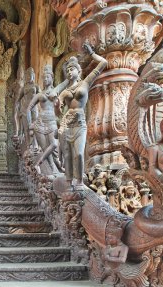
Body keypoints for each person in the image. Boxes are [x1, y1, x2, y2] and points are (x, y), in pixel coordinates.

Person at [58, 44, 107, 189]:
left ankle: (79, 182)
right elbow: (58, 112)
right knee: (67, 155)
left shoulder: (85, 82)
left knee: (78, 154)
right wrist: (57, 106)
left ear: (78, 71)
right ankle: (68, 182)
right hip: (67, 123)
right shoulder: (64, 91)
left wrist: (91, 53)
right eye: (67, 69)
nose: (69, 71)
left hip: (79, 122)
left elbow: (103, 63)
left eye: (71, 68)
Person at [27, 65, 67, 173]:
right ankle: (53, 168)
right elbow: (29, 108)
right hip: (40, 122)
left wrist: (65, 69)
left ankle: (39, 163)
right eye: (44, 78)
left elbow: (66, 82)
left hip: (51, 121)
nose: (45, 79)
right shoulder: (39, 94)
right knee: (45, 148)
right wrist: (30, 125)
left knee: (54, 145)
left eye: (47, 77)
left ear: (52, 78)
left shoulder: (56, 90)